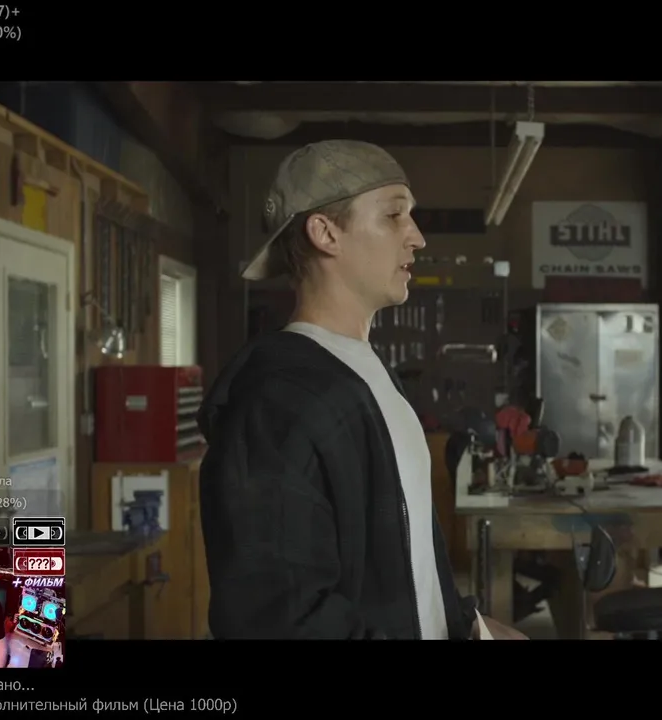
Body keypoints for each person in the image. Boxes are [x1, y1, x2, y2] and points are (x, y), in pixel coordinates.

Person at [198, 139, 525, 640]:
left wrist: (470, 627)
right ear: (326, 233)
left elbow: (405, 557)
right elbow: (278, 618)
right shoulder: (276, 401)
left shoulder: (367, 374)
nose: (416, 237)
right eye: (394, 215)